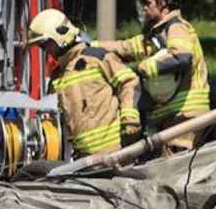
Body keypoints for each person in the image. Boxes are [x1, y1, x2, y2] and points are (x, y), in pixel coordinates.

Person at [95, 0, 209, 155]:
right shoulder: (157, 34)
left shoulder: (176, 27)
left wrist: (151, 66)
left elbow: (183, 57)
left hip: (184, 116)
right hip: (174, 115)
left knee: (175, 171)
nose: (144, 8)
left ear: (162, 4)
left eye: (148, 4)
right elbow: (125, 48)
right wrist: (91, 45)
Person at [27, 8, 140, 157]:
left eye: (45, 44)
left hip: (116, 154)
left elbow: (129, 82)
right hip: (83, 160)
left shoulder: (96, 58)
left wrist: (130, 118)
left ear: (60, 35)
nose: (45, 50)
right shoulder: (57, 78)